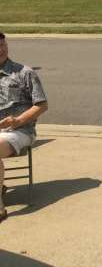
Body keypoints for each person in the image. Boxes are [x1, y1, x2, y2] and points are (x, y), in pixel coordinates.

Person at [0, 31, 48, 223]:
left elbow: (42, 105)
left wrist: (18, 121)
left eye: (3, 46)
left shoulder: (24, 73)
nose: (1, 50)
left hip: (19, 131)